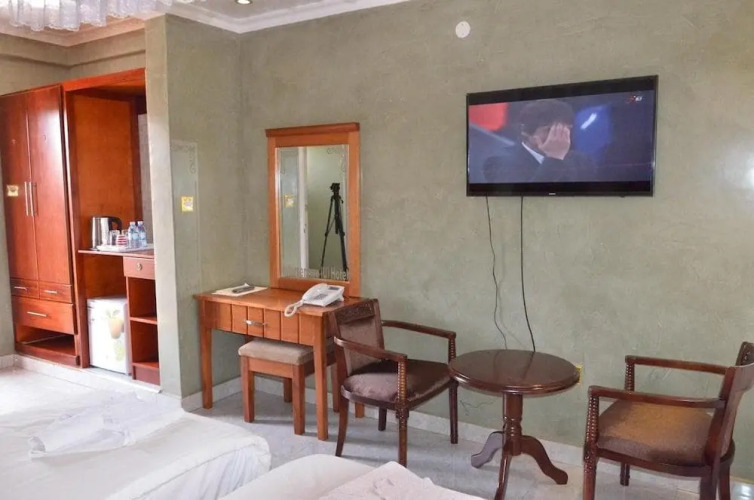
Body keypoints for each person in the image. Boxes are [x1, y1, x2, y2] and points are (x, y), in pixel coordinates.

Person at [482, 99, 598, 183]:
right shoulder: (499, 162)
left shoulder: (581, 162)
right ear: (526, 131)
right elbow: (527, 200)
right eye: (549, 130)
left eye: (566, 130)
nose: (558, 137)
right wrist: (554, 158)